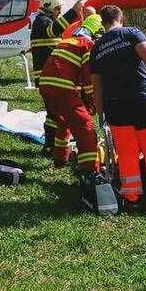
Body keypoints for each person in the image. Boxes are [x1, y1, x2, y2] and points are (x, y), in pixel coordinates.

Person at [90, 6, 146, 214]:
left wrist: (101, 113)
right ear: (121, 17)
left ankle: (131, 199)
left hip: (116, 106)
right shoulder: (131, 33)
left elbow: (97, 87)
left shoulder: (97, 48)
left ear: (102, 23)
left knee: (126, 153)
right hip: (143, 100)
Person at [38, 14, 104, 172]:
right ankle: (89, 169)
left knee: (64, 120)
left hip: (46, 84)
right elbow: (89, 80)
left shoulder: (68, 40)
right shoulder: (88, 46)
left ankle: (60, 158)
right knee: (85, 127)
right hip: (62, 86)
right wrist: (92, 103)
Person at [29, 0, 83, 157]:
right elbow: (54, 31)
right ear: (50, 8)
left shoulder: (42, 21)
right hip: (48, 78)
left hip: (48, 77)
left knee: (53, 113)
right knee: (55, 113)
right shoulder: (43, 21)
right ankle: (52, 147)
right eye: (58, 10)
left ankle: (50, 146)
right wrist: (73, 12)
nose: (59, 13)